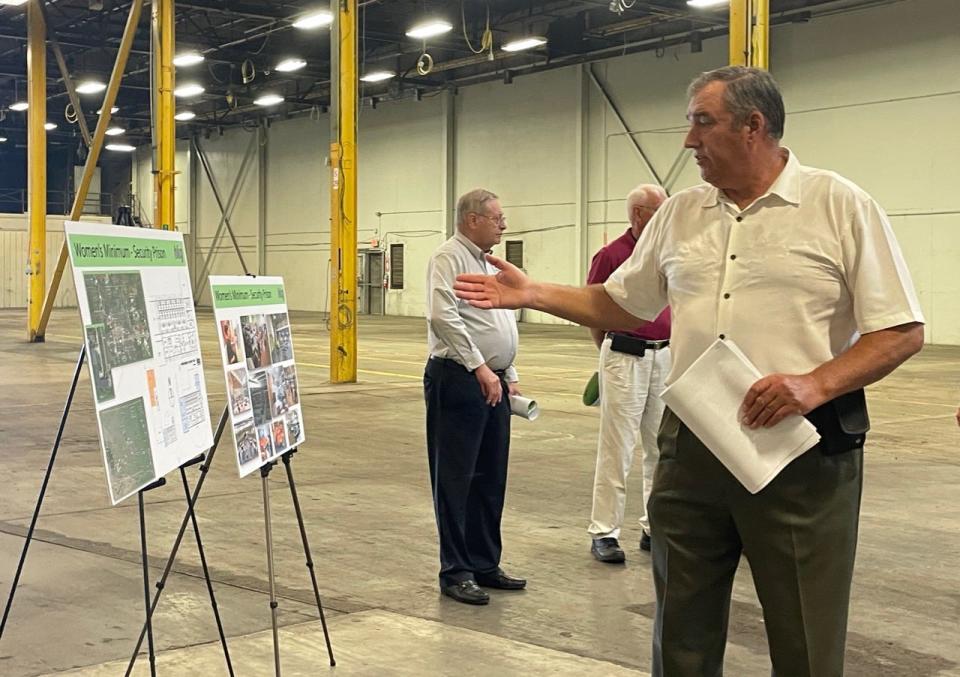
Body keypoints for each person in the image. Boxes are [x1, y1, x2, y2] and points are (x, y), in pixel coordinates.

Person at [454, 67, 924, 674]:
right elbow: (621, 303)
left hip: (801, 452)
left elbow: (901, 330)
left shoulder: (839, 206)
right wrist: (534, 293)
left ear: (754, 126)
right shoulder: (680, 215)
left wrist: (816, 384)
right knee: (680, 631)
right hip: (691, 447)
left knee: (805, 635)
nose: (688, 140)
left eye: (703, 122)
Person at [424, 188, 526, 606]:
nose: (504, 224)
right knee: (456, 479)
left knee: (489, 477)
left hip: (493, 380)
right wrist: (480, 367)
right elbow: (441, 315)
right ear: (472, 220)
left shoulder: (489, 263)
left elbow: (500, 316)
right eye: (497, 217)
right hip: (459, 379)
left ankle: (485, 562)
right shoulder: (448, 258)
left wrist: (507, 371)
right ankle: (456, 571)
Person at [587, 184, 670, 564]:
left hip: (665, 357)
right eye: (659, 210)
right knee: (618, 447)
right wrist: (608, 354)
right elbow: (593, 309)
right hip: (625, 354)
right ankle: (604, 531)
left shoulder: (666, 251)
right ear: (638, 214)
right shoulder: (611, 255)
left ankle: (655, 525)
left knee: (661, 447)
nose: (666, 216)